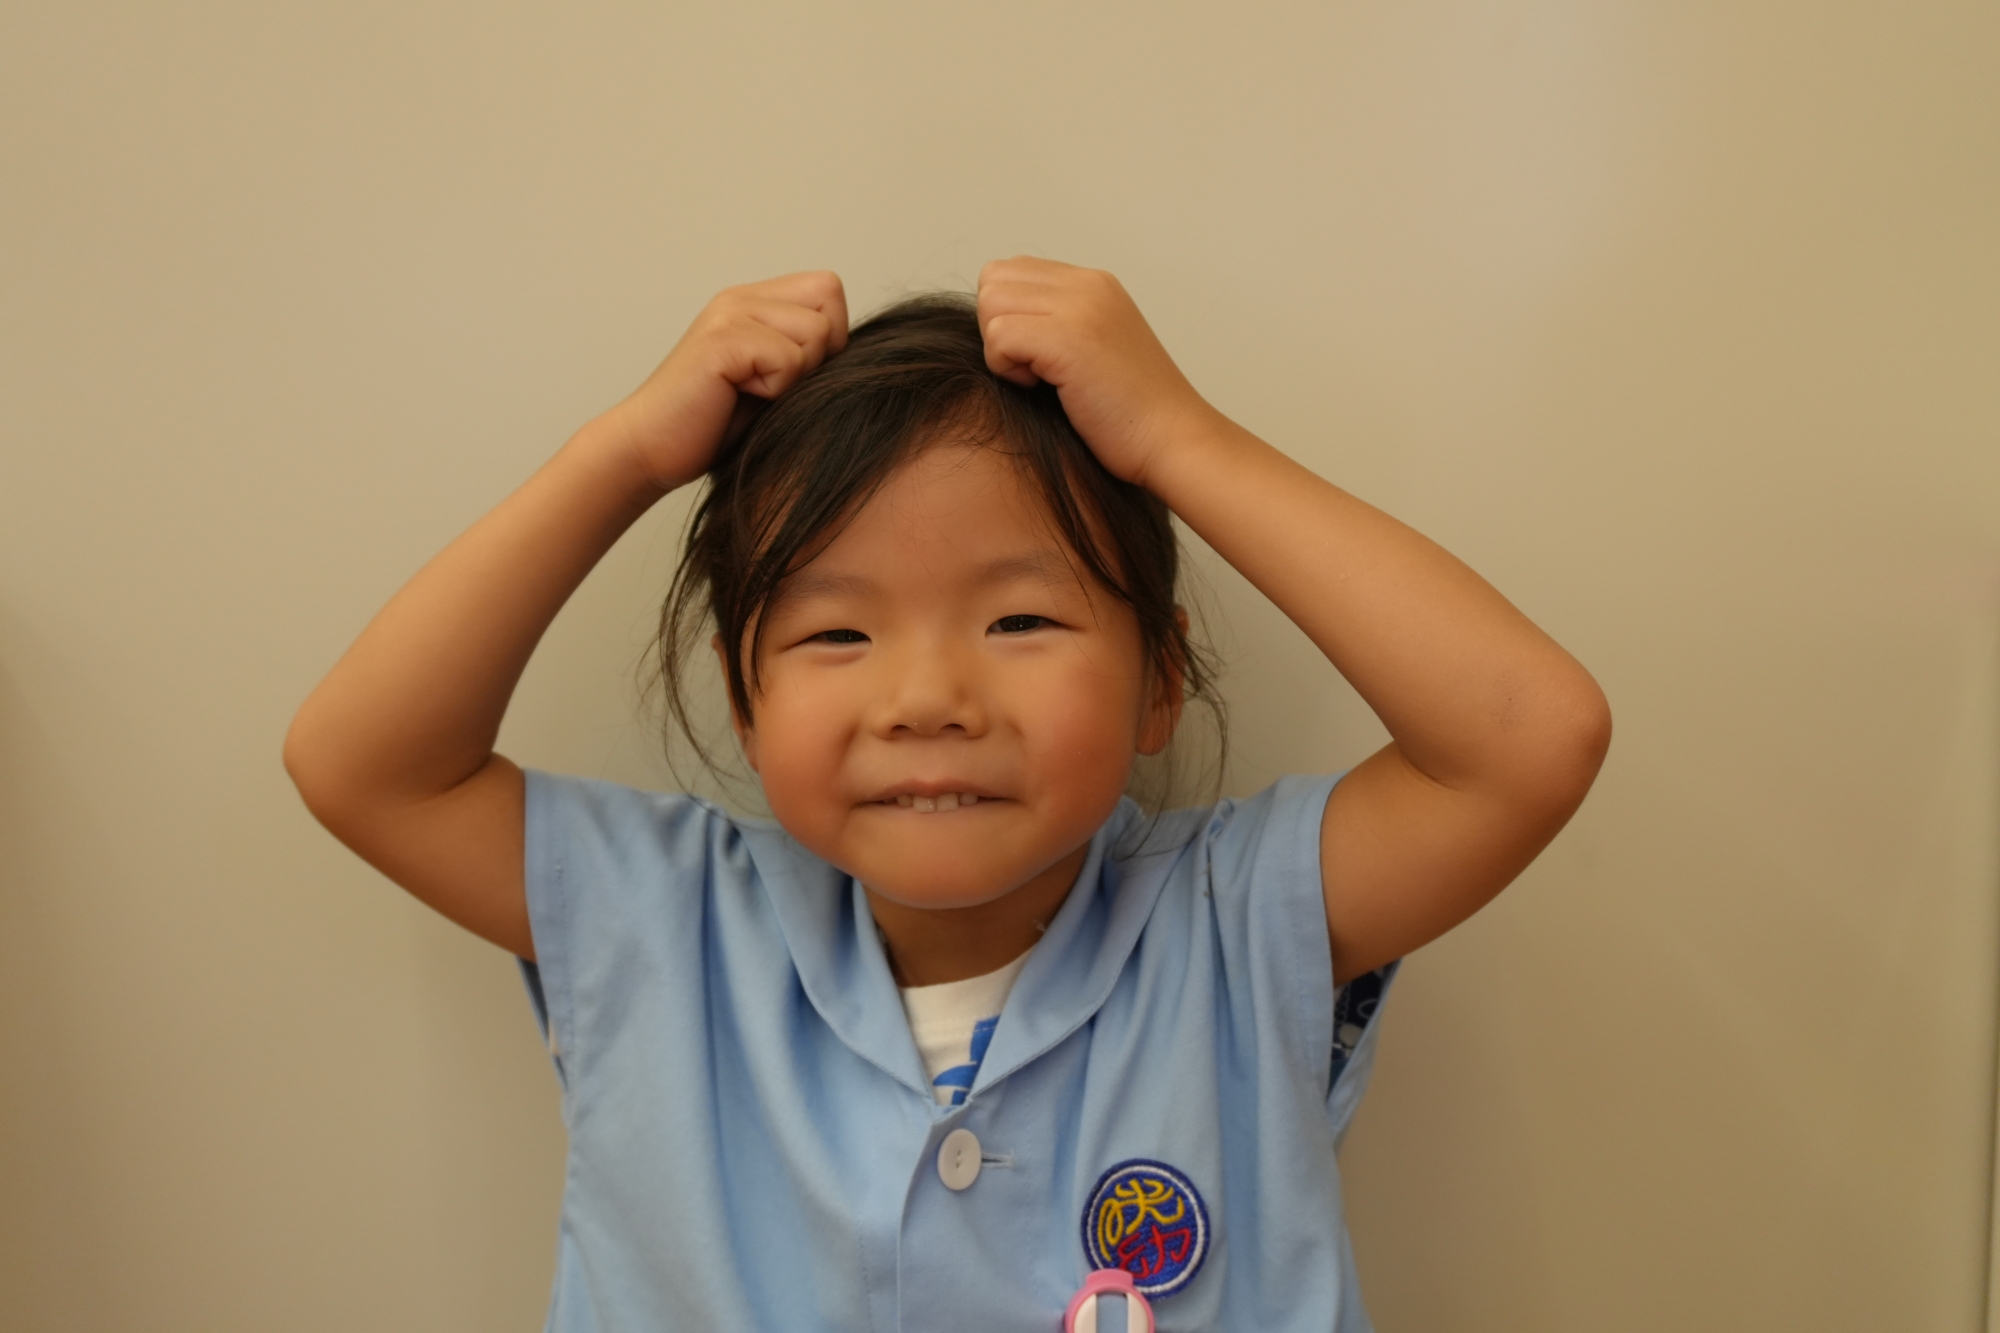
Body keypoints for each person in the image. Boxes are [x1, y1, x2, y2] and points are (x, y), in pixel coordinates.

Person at [284, 258, 1610, 1331]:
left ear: (1160, 682)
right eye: (837, 634)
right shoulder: (664, 920)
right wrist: (626, 450)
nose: (926, 697)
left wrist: (1178, 437)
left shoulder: (1237, 918)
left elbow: (1528, 737)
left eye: (1020, 619)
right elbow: (360, 762)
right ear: (744, 700)